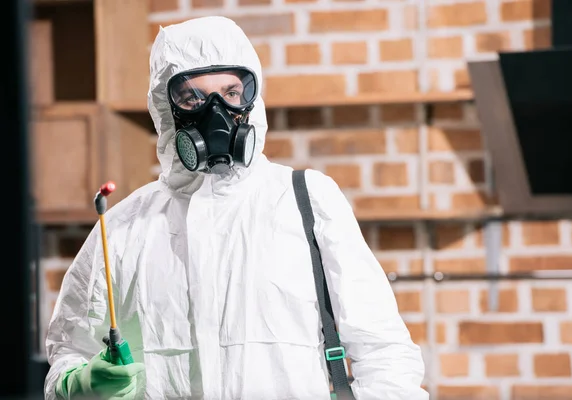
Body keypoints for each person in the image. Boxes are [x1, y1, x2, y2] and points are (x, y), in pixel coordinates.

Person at [43, 16, 428, 400]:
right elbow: (67, 356)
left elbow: (384, 353)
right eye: (193, 98)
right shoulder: (125, 227)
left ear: (252, 100)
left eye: (231, 92)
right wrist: (80, 385)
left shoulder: (306, 201)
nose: (216, 112)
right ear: (165, 108)